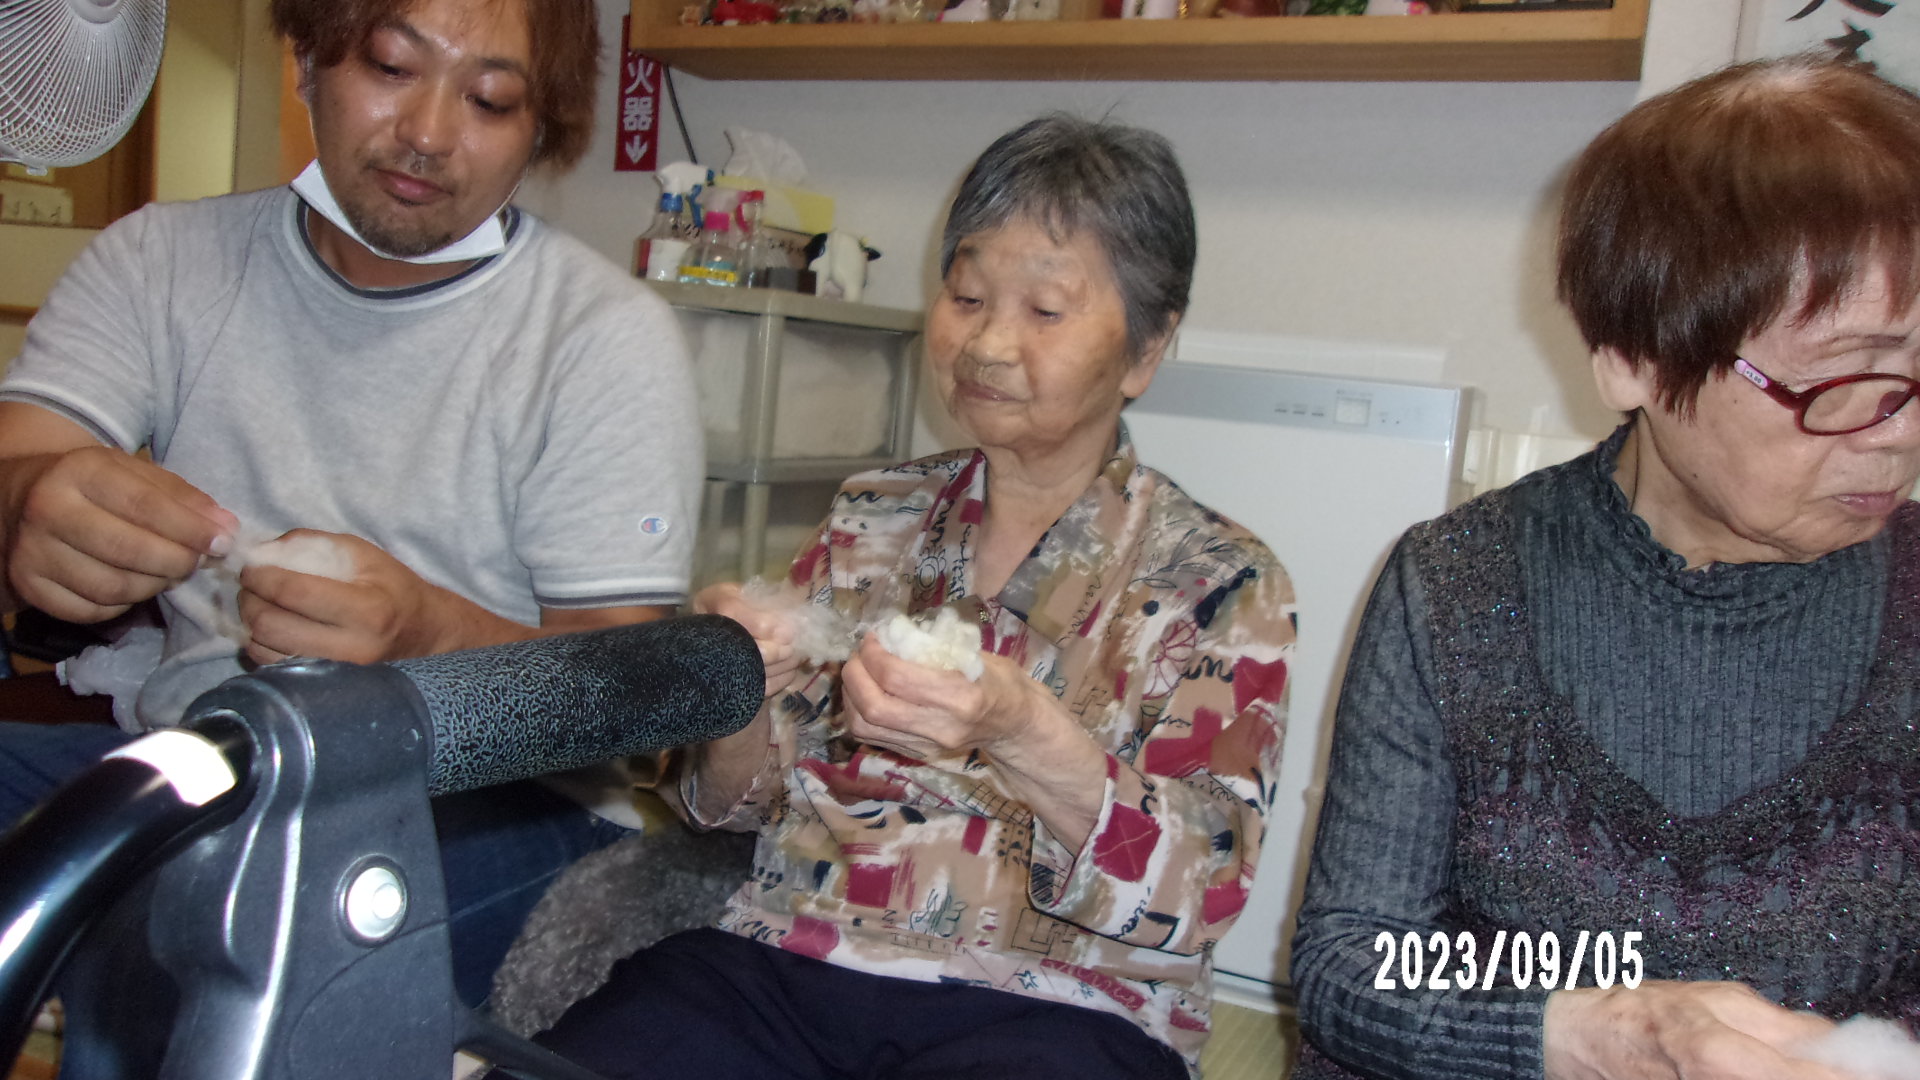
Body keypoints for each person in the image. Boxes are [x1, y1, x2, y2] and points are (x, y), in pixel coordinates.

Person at [525, 115, 1297, 1080]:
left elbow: (1207, 889)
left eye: (1044, 311)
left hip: (1059, 1010)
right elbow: (725, 809)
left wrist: (1020, 728)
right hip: (788, 963)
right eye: (966, 296)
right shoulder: (871, 513)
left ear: (1147, 348)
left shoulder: (1221, 580)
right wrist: (734, 689)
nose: (988, 342)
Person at [0, 0, 700, 1021]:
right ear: (306, 62)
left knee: (224, 939)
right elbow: (22, 458)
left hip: (494, 808)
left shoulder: (601, 338)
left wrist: (428, 638)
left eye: (490, 100)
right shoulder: (159, 262)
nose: (428, 132)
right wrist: (31, 504)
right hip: (196, 759)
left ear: (537, 130)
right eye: (388, 66)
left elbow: (626, 709)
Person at [1291, 53, 1920, 1080]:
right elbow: (1354, 962)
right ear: (1633, 359)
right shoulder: (1459, 585)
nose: (1898, 433)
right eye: (1845, 382)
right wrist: (1588, 1036)